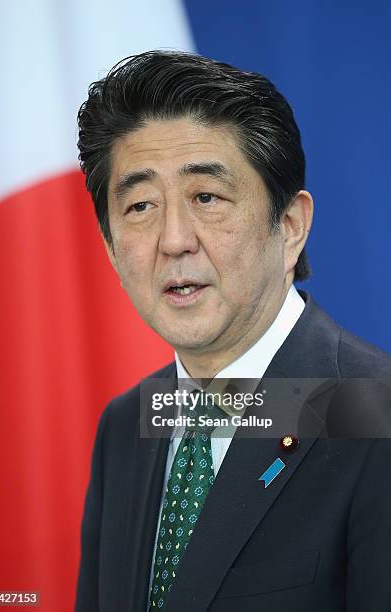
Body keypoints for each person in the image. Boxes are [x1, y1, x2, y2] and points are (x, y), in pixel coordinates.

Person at [75, 50, 391, 611]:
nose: (174, 240)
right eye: (141, 205)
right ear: (110, 247)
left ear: (290, 226)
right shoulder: (125, 425)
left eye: (206, 197)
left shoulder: (376, 415)